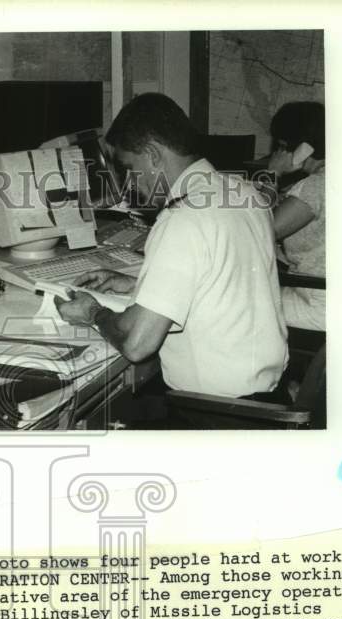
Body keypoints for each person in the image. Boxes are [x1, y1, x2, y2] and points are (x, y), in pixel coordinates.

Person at [57, 93, 288, 405]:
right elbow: (226, 277)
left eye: (129, 168)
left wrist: (92, 312)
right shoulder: (244, 192)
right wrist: (138, 284)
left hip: (215, 409)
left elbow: (137, 343)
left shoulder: (182, 218)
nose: (129, 184)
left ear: (153, 155)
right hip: (269, 393)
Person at [268, 101, 325, 331]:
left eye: (282, 146)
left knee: (234, 301)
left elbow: (262, 229)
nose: (278, 153)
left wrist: (273, 172)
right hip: (331, 292)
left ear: (305, 148)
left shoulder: (315, 185)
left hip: (316, 299)